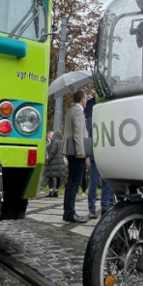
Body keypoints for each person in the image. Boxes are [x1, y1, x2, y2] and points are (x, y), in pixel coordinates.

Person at [84, 97, 114, 218]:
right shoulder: (95, 117)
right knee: (102, 181)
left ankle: (95, 208)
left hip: (98, 153)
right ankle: (103, 207)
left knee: (95, 182)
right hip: (101, 153)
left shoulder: (92, 117)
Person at [62, 90, 89, 223]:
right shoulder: (78, 111)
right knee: (74, 182)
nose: (86, 101)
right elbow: (78, 132)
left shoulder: (70, 110)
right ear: (82, 99)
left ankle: (67, 211)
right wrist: (81, 151)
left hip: (70, 149)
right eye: (86, 98)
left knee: (71, 181)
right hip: (77, 151)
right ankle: (70, 213)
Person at [43, 130, 64, 198]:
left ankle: (51, 191)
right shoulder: (61, 142)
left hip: (53, 162)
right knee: (58, 177)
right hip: (60, 162)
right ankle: (56, 191)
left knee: (51, 176)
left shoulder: (55, 142)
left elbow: (52, 151)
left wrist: (48, 159)